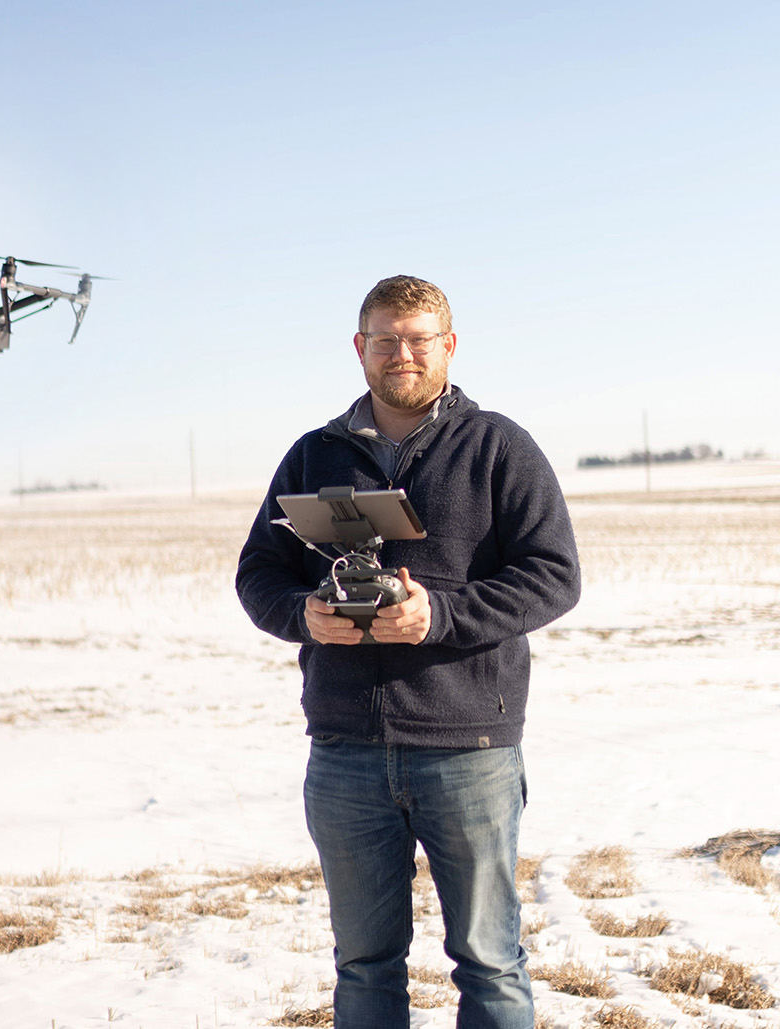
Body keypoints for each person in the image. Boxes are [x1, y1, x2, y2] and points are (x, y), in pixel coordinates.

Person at [235, 275, 580, 1029]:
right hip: (346, 751)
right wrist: (304, 614)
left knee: (489, 961)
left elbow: (556, 576)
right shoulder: (312, 454)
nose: (402, 352)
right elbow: (257, 572)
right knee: (364, 967)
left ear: (448, 346)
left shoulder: (498, 447)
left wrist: (441, 615)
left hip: (469, 749)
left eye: (419, 337)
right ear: (360, 348)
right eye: (385, 338)